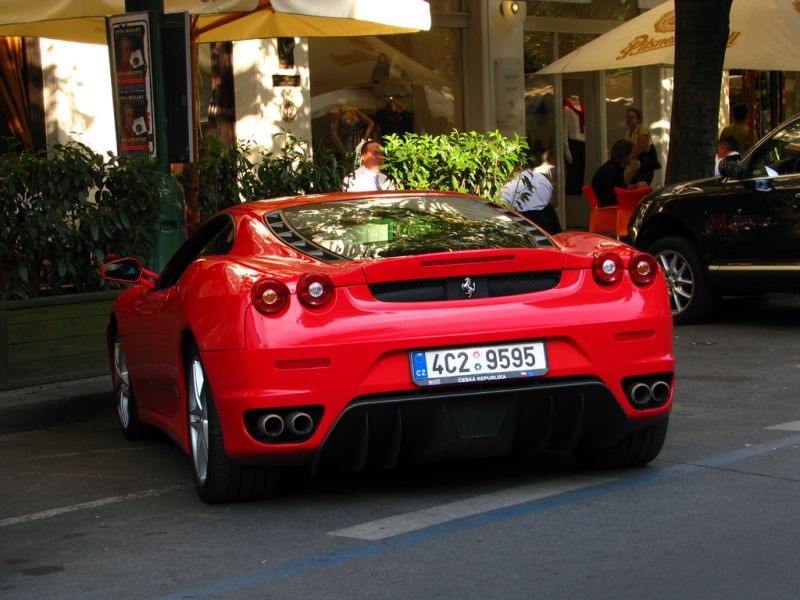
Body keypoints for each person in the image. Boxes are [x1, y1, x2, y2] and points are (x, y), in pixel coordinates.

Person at [501, 159, 561, 235]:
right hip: (548, 227)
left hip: (524, 230)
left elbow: (501, 208)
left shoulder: (510, 187)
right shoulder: (544, 180)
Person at [591, 139, 648, 207]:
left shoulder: (615, 167)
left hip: (608, 207)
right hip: (609, 209)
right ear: (624, 154)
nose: (633, 156)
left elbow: (620, 187)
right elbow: (613, 199)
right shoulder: (611, 171)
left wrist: (636, 186)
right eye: (631, 153)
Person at [624, 108, 656, 186]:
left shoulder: (641, 128)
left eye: (631, 117)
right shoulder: (627, 134)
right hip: (632, 167)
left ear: (639, 119)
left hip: (643, 165)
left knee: (641, 187)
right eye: (627, 117)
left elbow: (641, 147)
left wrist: (631, 156)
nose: (628, 120)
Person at [563, 94, 586, 195]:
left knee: (581, 172)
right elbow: (564, 130)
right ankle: (571, 198)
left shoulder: (583, 109)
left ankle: (578, 197)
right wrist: (566, 149)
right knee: (573, 173)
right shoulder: (567, 108)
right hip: (572, 143)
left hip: (583, 143)